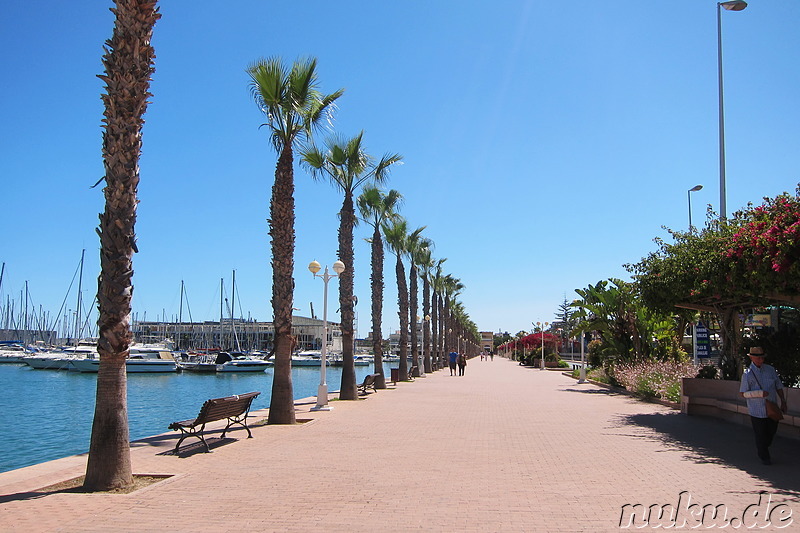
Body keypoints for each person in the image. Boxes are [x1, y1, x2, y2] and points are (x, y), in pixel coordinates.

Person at [739, 346, 788, 465]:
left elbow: (778, 385)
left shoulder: (770, 370)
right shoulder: (747, 374)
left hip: (771, 407)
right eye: (757, 358)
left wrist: (783, 400)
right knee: (760, 433)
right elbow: (743, 393)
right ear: (751, 358)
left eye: (761, 358)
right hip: (757, 410)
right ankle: (764, 456)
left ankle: (764, 446)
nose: (760, 360)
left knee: (771, 431)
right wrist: (759, 394)